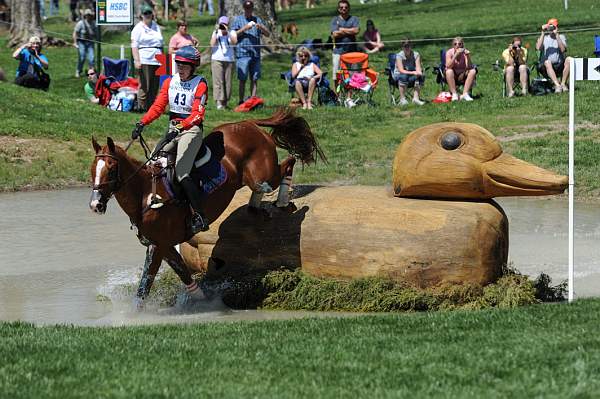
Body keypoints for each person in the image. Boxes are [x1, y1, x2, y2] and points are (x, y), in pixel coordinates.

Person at [130, 46, 210, 234]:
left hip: (191, 131)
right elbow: (158, 106)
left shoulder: (201, 83)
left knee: (182, 172)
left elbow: (198, 115)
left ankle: (199, 215)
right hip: (173, 130)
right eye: (178, 64)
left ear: (193, 67)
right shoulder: (170, 82)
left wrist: (180, 128)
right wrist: (142, 122)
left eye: (185, 65)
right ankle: (158, 202)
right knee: (153, 161)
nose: (180, 68)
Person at [231, 0, 270, 104]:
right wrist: (245, 28)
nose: (248, 10)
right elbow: (233, 35)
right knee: (242, 78)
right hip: (242, 54)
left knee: (254, 78)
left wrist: (261, 27)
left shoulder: (257, 20)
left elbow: (267, 34)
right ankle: (241, 100)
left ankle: (253, 99)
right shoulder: (238, 20)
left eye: (250, 8)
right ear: (244, 9)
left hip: (255, 54)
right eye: (247, 8)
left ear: (252, 9)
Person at [131, 3, 163, 111]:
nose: (148, 15)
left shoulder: (156, 26)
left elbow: (161, 43)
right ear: (142, 15)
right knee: (145, 85)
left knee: (154, 86)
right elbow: (134, 45)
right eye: (145, 13)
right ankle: (141, 107)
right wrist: (136, 60)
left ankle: (151, 108)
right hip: (145, 58)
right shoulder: (138, 28)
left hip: (157, 59)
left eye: (149, 13)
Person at [536, 18, 571, 93]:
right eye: (550, 27)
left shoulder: (561, 37)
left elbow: (563, 50)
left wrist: (557, 35)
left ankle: (563, 84)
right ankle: (557, 85)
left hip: (559, 65)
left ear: (557, 27)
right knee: (547, 62)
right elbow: (538, 48)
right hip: (546, 67)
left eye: (553, 27)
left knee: (569, 59)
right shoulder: (544, 38)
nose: (551, 29)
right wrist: (543, 32)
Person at [210, 15, 237, 110]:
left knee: (227, 82)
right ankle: (219, 102)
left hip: (229, 60)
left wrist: (228, 32)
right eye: (222, 24)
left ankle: (225, 102)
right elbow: (212, 44)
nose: (223, 26)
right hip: (217, 59)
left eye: (225, 24)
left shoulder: (232, 32)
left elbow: (234, 42)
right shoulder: (216, 32)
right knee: (218, 81)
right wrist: (217, 32)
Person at [330, 0, 359, 83]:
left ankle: (350, 95)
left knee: (352, 74)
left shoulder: (354, 19)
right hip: (338, 51)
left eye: (346, 7)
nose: (344, 9)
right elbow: (335, 34)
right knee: (336, 75)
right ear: (338, 9)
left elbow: (356, 31)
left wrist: (342, 29)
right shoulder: (335, 20)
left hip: (352, 51)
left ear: (349, 8)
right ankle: (337, 95)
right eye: (341, 7)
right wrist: (350, 31)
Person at [393, 39, 425, 106]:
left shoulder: (416, 54)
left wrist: (419, 72)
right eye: (405, 46)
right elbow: (401, 70)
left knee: (420, 75)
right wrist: (413, 72)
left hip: (411, 75)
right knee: (403, 76)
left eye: (408, 46)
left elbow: (418, 67)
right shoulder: (399, 56)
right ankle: (402, 99)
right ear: (402, 47)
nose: (407, 48)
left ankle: (416, 99)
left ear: (411, 46)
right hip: (399, 76)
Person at [445, 37, 477, 101]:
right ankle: (454, 94)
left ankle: (465, 94)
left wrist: (467, 56)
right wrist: (455, 55)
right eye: (455, 44)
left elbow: (469, 67)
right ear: (453, 45)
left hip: (463, 75)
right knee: (449, 71)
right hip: (452, 75)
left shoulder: (465, 52)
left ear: (462, 45)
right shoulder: (449, 52)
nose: (457, 45)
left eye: (459, 44)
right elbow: (448, 66)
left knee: (473, 71)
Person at [73, 9, 98, 78]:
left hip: (90, 42)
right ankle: (78, 70)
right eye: (87, 15)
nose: (88, 16)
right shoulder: (81, 23)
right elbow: (75, 33)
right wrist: (75, 43)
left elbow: (96, 33)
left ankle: (91, 73)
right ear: (85, 16)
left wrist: (97, 39)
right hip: (81, 42)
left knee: (91, 58)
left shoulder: (94, 23)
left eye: (89, 15)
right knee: (82, 57)